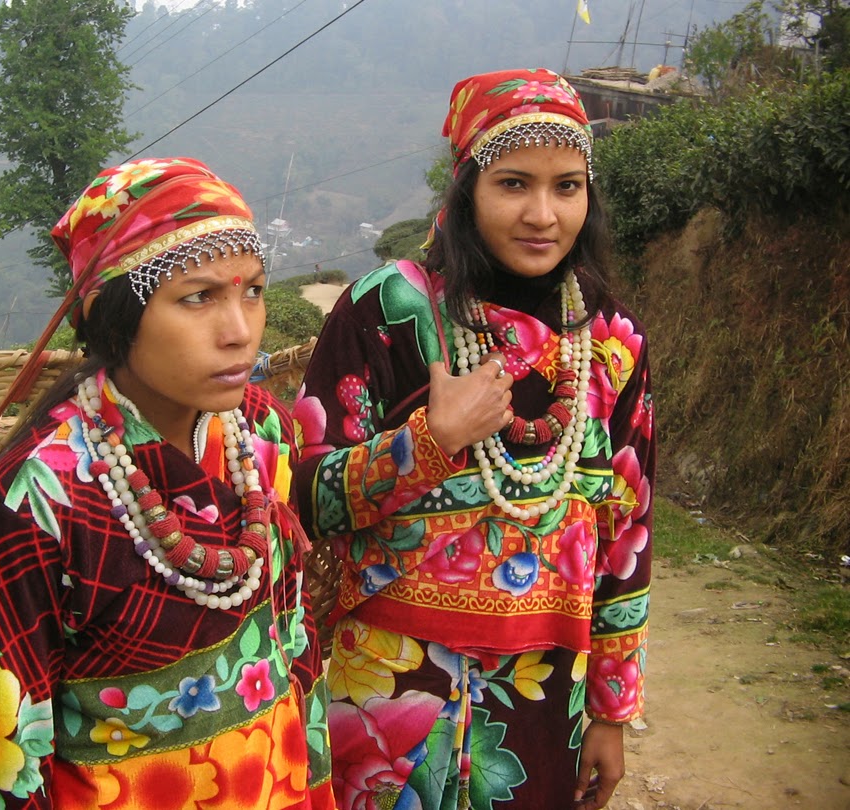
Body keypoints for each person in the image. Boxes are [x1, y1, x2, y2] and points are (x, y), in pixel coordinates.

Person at [294, 69, 654, 810]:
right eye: (514, 184)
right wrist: (430, 441)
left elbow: (628, 534)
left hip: (547, 686)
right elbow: (304, 500)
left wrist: (613, 710)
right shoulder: (386, 314)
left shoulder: (613, 341)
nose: (544, 214)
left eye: (568, 187)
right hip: (390, 688)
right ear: (466, 190)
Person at [0, 157, 337, 809]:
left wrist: (316, 779)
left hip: (279, 780)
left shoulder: (265, 432)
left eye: (252, 290)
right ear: (114, 315)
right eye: (198, 297)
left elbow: (293, 636)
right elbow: (4, 750)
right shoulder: (37, 497)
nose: (240, 330)